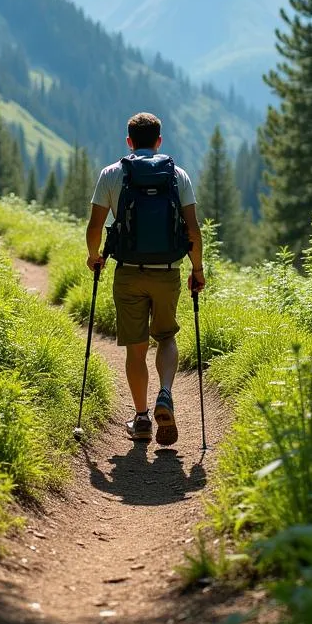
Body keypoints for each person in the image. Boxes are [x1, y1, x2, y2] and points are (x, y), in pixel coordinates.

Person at [85, 112, 205, 446]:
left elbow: (95, 227)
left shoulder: (111, 174)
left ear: (129, 141)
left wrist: (94, 256)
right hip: (167, 272)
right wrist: (197, 270)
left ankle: (141, 419)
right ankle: (165, 394)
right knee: (166, 336)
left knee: (135, 349)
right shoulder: (177, 175)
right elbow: (192, 230)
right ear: (158, 141)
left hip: (128, 273)